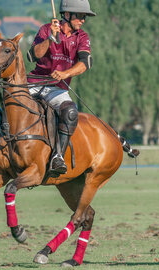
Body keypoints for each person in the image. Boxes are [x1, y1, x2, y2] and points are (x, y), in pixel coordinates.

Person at [26, 0, 95, 175]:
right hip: (34, 82)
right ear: (67, 14)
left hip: (57, 89)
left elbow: (85, 63)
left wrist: (65, 74)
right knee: (8, 100)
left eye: (84, 17)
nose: (83, 20)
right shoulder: (46, 29)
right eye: (80, 16)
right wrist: (50, 38)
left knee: (70, 112)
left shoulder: (82, 37)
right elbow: (33, 56)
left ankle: (58, 156)